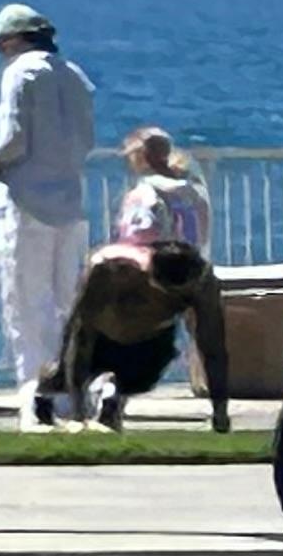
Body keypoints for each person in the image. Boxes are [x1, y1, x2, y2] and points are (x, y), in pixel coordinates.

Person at [0, 2, 99, 425]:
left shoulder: (21, 73)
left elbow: (14, 139)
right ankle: (74, 390)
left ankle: (35, 393)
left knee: (26, 303)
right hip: (70, 200)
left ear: (12, 39)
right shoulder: (75, 76)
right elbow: (85, 138)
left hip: (26, 203)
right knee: (69, 302)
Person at [65, 129, 225, 429]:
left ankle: (86, 399)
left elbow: (140, 239)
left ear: (142, 157)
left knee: (89, 331)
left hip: (143, 273)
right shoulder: (194, 192)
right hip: (186, 276)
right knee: (203, 338)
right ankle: (217, 409)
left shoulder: (144, 194)